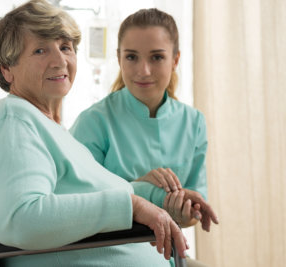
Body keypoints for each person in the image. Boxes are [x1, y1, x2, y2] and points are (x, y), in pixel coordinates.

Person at [0, 1, 189, 266]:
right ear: (6, 69)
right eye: (40, 50)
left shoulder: (50, 128)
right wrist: (133, 206)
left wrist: (159, 196)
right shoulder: (12, 120)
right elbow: (21, 218)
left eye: (65, 47)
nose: (60, 60)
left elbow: (94, 194)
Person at [70, 8, 218, 267]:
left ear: (175, 60)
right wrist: (143, 190)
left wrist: (182, 212)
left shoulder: (193, 122)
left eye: (157, 57)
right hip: (105, 254)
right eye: (132, 57)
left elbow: (193, 214)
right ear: (119, 59)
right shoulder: (94, 121)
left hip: (167, 256)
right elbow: (77, 206)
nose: (144, 70)